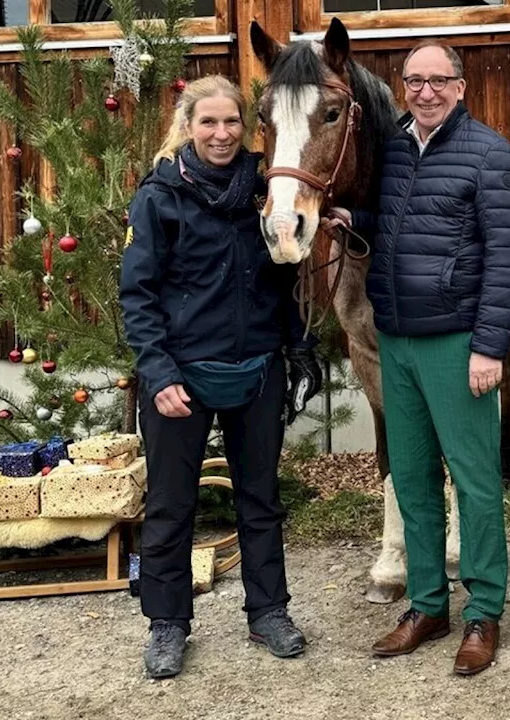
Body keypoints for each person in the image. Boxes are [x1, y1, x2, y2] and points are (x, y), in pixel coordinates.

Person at [330, 40, 510, 677]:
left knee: (474, 482)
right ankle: (428, 605)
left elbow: (506, 259)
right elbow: (389, 221)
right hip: (396, 341)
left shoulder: (489, 154)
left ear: (461, 87)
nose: (426, 91)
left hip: (456, 341)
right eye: (414, 80)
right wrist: (347, 215)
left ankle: (484, 611)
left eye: (439, 80)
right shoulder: (390, 151)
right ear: (402, 87)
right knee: (411, 480)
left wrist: (489, 347)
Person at [120, 75, 323, 680]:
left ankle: (268, 612)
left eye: (231, 122)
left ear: (246, 127)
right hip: (180, 378)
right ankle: (167, 624)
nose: (221, 133)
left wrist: (295, 345)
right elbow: (138, 295)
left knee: (260, 500)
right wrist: (158, 374)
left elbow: (281, 282)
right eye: (207, 122)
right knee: (171, 504)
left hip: (256, 370)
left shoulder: (266, 194)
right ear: (188, 126)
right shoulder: (158, 198)